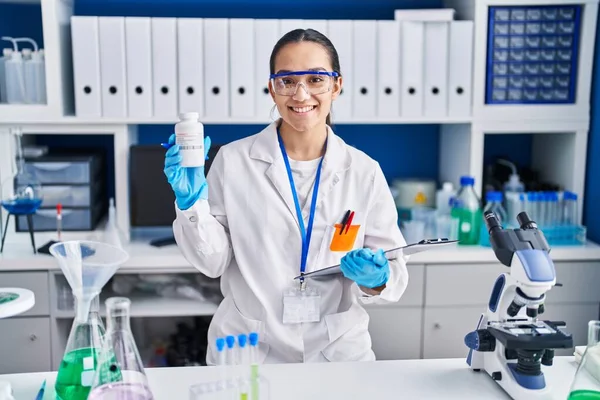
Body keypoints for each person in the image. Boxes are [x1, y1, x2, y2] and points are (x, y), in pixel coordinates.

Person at [164, 28, 409, 364]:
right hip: (249, 350)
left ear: (336, 86)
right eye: (287, 80)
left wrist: (377, 279)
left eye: (315, 79)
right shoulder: (234, 161)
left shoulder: (363, 171)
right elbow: (212, 263)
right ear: (272, 89)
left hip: (336, 351)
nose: (301, 93)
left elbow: (394, 271)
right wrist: (190, 204)